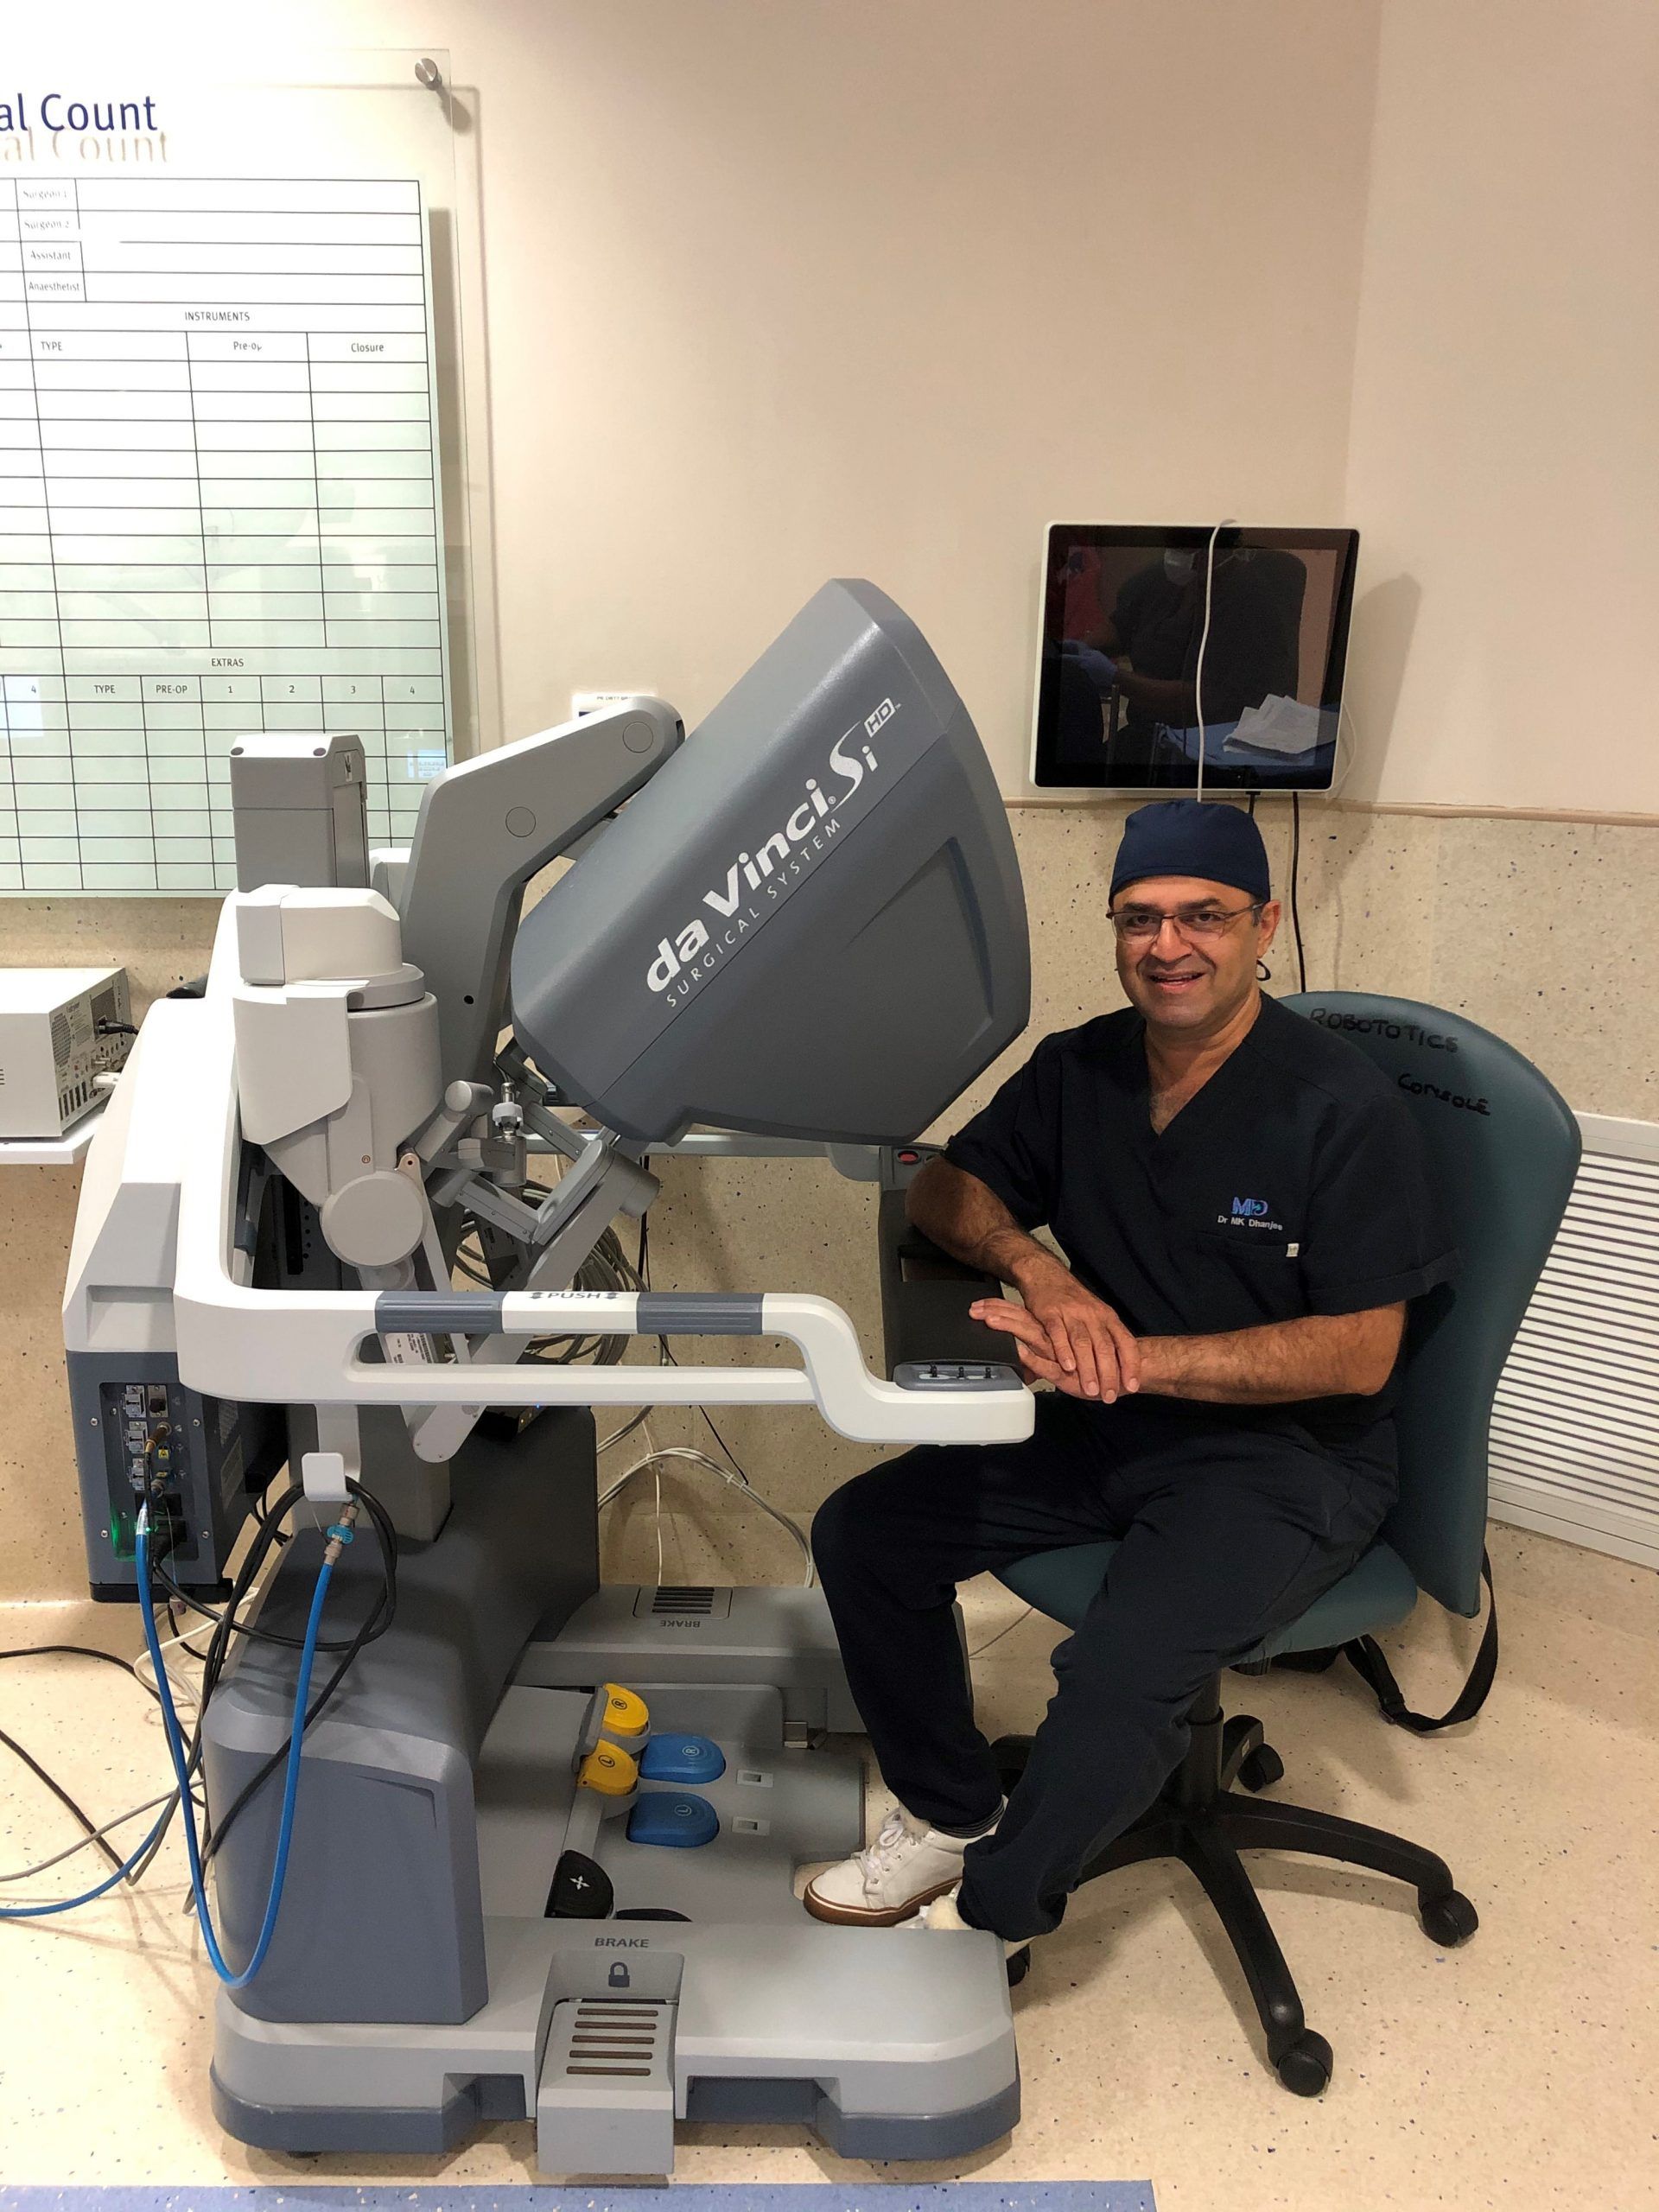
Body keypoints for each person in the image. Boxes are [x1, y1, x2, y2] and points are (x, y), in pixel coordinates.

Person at [805, 798, 1456, 1951]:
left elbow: (1362, 1351)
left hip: (1289, 1461)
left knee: (1118, 1671)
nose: (1169, 945)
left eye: (1204, 915)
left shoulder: (1340, 1109)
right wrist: (1037, 1269)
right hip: (1114, 1425)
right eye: (1139, 918)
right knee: (866, 1532)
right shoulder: (1082, 1070)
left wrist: (1136, 1355)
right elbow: (946, 1188)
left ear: (1264, 925)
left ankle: (993, 1919)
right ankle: (953, 1811)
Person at [1060, 545, 1306, 772]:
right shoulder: (1158, 578)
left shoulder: (1253, 602)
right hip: (1146, 736)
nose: (1177, 554)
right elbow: (1122, 624)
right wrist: (1080, 649)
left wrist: (1117, 678)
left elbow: (1208, 700)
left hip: (1210, 750)